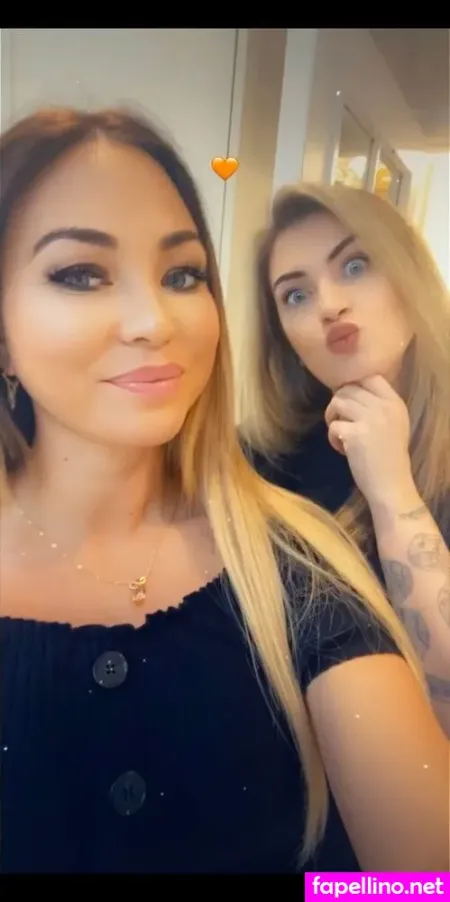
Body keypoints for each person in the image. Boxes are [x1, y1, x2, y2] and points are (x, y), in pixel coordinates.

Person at [0, 109, 448, 876]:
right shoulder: (278, 458)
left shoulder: (297, 558)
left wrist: (333, 894)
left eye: (183, 275)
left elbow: (423, 881)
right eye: (80, 274)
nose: (154, 321)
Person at [240, 183, 450, 737]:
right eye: (295, 295)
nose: (329, 305)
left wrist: (393, 492)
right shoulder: (261, 465)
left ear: (409, 277)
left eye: (355, 266)